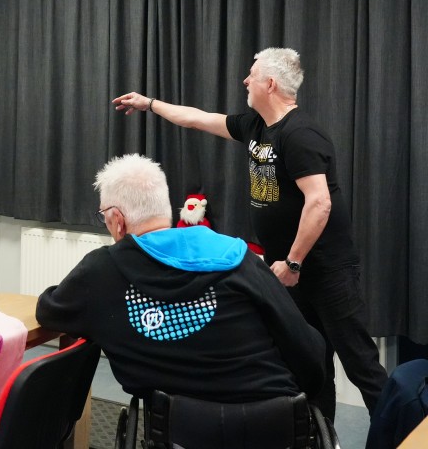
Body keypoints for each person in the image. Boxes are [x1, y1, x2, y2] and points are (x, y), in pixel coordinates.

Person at [113, 47, 388, 420]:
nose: (245, 80)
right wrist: (149, 103)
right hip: (291, 274)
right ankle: (322, 441)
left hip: (325, 270)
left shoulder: (301, 134)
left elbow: (319, 203)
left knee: (361, 364)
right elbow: (197, 119)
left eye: (252, 74)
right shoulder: (255, 127)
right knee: (311, 364)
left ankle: (403, 437)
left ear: (270, 83)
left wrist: (293, 262)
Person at [36, 153, 325, 406]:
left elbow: (49, 310)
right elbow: (306, 345)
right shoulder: (239, 258)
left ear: (118, 221)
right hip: (273, 424)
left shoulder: (101, 270)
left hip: (178, 432)